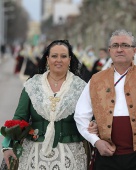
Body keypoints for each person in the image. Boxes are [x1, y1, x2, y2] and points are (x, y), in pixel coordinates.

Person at [74, 29, 136, 170]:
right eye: (115, 46)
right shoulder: (95, 80)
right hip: (107, 158)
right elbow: (80, 115)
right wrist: (96, 142)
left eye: (125, 45)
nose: (119, 49)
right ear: (109, 50)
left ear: (134, 50)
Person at [1, 40, 95, 170]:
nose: (59, 60)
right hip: (35, 156)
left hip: (72, 155)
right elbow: (19, 118)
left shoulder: (81, 87)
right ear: (47, 59)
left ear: (69, 59)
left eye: (63, 56)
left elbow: (91, 119)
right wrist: (8, 146)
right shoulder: (32, 85)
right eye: (54, 56)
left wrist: (94, 126)